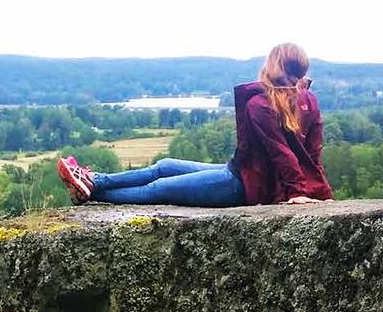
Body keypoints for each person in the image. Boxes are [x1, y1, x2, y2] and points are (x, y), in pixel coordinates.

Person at [57, 43, 333, 208]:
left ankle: (92, 191)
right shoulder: (305, 100)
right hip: (243, 172)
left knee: (160, 190)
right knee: (164, 166)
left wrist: (300, 192)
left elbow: (282, 153)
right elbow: (313, 154)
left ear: (271, 66)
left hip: (245, 185)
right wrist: (321, 191)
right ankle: (94, 181)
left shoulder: (260, 105)